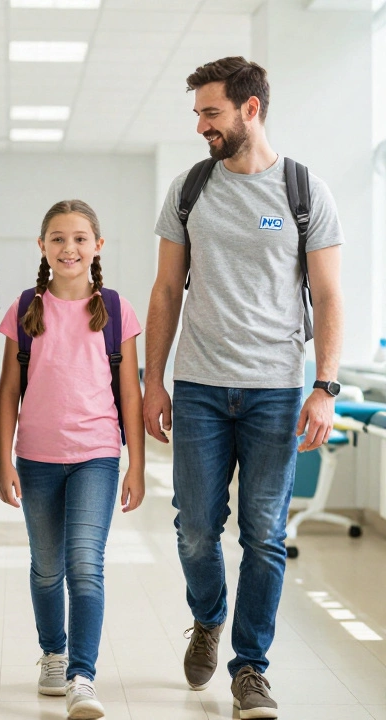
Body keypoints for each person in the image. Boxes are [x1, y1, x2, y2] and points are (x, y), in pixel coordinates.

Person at [145, 56, 344, 719]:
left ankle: (250, 669)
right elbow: (167, 290)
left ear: (250, 109)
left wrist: (327, 387)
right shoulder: (189, 188)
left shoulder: (305, 191)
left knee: (262, 534)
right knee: (197, 530)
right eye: (199, 112)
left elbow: (329, 294)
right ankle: (208, 618)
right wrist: (153, 381)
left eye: (211, 112)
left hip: (277, 391)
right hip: (199, 385)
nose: (201, 124)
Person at [0, 200, 145, 720]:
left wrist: (137, 466)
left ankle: (83, 674)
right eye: (57, 238)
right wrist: (3, 459)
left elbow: (131, 396)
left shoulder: (117, 311)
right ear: (42, 247)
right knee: (45, 569)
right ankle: (53, 654)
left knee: (85, 566)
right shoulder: (24, 308)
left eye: (80, 238)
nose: (69, 248)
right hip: (35, 458)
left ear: (97, 246)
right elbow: (7, 391)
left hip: (96, 456)